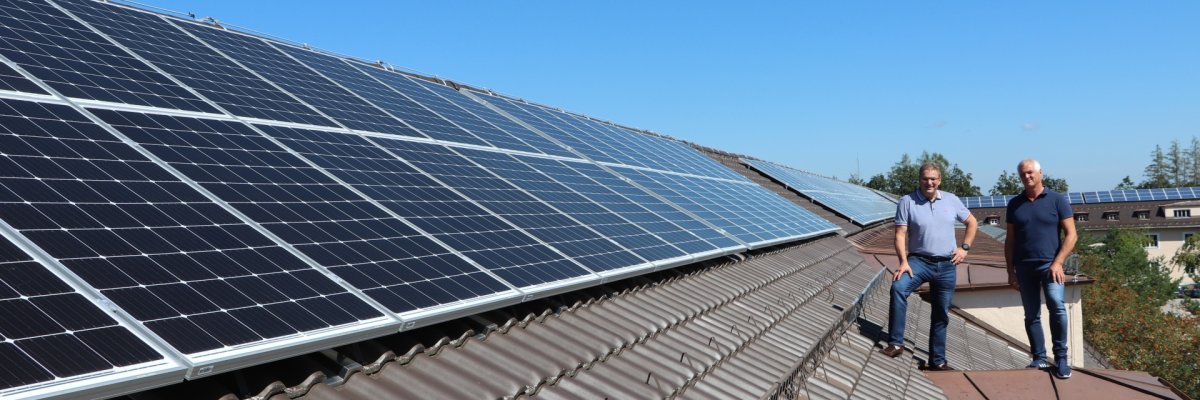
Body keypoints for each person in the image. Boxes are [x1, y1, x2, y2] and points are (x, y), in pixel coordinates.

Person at [880, 163, 978, 371]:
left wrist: (965, 248)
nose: (929, 182)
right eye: (925, 178)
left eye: (933, 178)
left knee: (941, 312)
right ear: (920, 180)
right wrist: (903, 262)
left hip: (947, 264)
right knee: (898, 288)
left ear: (939, 180)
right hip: (918, 262)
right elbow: (900, 234)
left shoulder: (951, 200)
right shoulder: (907, 202)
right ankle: (896, 343)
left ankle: (937, 361)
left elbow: (972, 223)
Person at [1005, 159, 1077, 379]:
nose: (1027, 177)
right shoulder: (1014, 204)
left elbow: (1072, 235)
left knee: (1056, 306)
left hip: (1050, 265)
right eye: (1023, 174)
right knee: (1031, 314)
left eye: (1030, 172)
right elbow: (1010, 240)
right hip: (1024, 266)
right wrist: (1010, 271)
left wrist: (1058, 262)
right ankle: (1038, 357)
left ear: (1040, 173)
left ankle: (1061, 359)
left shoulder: (1057, 200)